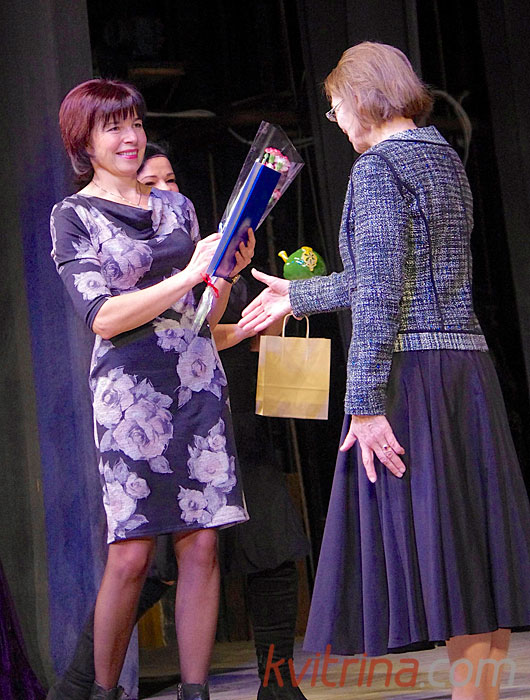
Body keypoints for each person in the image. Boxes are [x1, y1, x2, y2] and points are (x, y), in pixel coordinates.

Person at [239, 42, 530, 700]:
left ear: (361, 98)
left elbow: (380, 293)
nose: (337, 120)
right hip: (466, 371)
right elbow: (393, 273)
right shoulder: (442, 156)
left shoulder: (377, 170)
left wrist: (365, 404)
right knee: (471, 553)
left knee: (447, 554)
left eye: (336, 107)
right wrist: (301, 294)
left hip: (412, 375)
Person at [47, 142, 309, 700]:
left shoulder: (186, 224)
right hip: (138, 403)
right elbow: (105, 317)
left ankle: (264, 686)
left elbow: (202, 322)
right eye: (152, 182)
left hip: (211, 400)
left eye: (170, 179)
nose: (163, 191)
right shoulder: (83, 220)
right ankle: (83, 687)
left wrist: (230, 277)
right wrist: (195, 275)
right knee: (139, 560)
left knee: (251, 547)